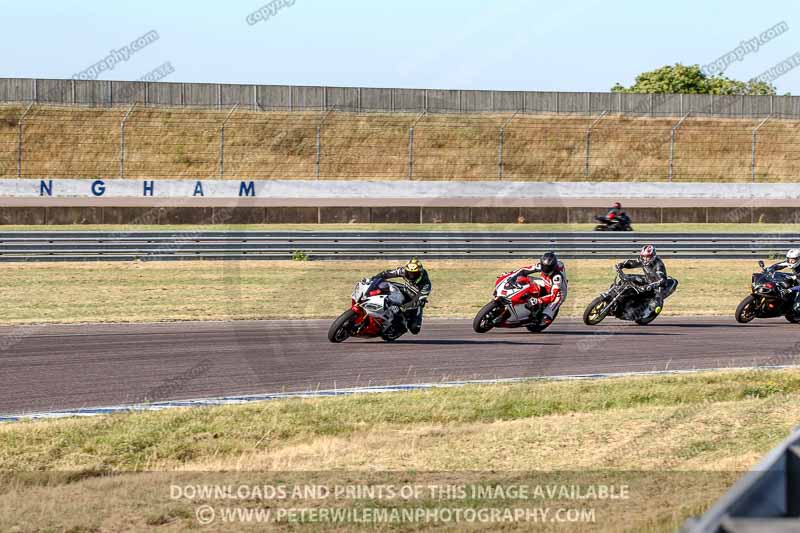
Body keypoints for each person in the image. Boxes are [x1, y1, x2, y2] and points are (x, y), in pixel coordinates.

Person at [369, 257, 431, 334]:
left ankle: (400, 326)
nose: (411, 276)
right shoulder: (404, 271)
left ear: (420, 273)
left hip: (415, 301)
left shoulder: (426, 285)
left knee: (415, 329)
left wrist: (403, 307)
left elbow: (417, 301)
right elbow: (388, 273)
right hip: (405, 290)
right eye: (409, 273)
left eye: (414, 274)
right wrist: (375, 278)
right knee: (385, 285)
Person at [506, 252, 567, 327]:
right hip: (545, 282)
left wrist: (538, 300)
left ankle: (545, 316)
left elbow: (552, 296)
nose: (545, 270)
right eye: (544, 267)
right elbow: (524, 270)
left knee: (547, 315)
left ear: (553, 267)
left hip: (558, 291)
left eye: (548, 268)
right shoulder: (541, 265)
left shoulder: (557, 277)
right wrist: (512, 276)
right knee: (521, 279)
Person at [616, 244, 676, 312]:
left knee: (655, 305)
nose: (645, 259)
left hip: (657, 286)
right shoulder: (643, 260)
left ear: (653, 256)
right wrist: (622, 265)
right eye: (644, 256)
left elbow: (662, 280)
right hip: (648, 279)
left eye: (648, 257)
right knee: (627, 277)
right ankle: (617, 292)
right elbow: (633, 263)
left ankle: (644, 310)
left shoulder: (658, 265)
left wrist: (650, 286)